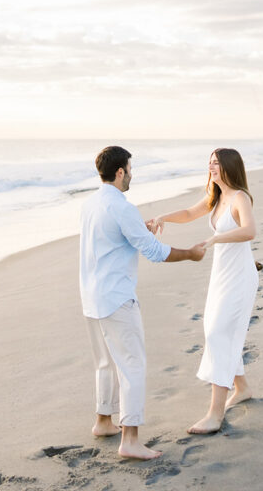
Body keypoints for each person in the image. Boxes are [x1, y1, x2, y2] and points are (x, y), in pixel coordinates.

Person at [80, 145, 206, 460]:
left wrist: (140, 230)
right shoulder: (122, 207)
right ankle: (130, 440)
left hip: (91, 297)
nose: (131, 176)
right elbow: (155, 252)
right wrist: (191, 254)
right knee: (132, 365)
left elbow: (110, 240)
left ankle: (103, 421)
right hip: (116, 298)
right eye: (130, 170)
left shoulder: (90, 204)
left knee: (105, 362)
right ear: (120, 171)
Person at [148, 147, 258, 435]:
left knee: (218, 333)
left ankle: (214, 414)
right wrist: (162, 217)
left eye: (216, 163)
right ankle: (242, 388)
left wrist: (215, 239)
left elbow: (250, 231)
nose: (211, 167)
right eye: (210, 162)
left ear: (230, 167)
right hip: (222, 274)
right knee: (216, 329)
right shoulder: (217, 196)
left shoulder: (240, 197)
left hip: (240, 276)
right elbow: (188, 213)